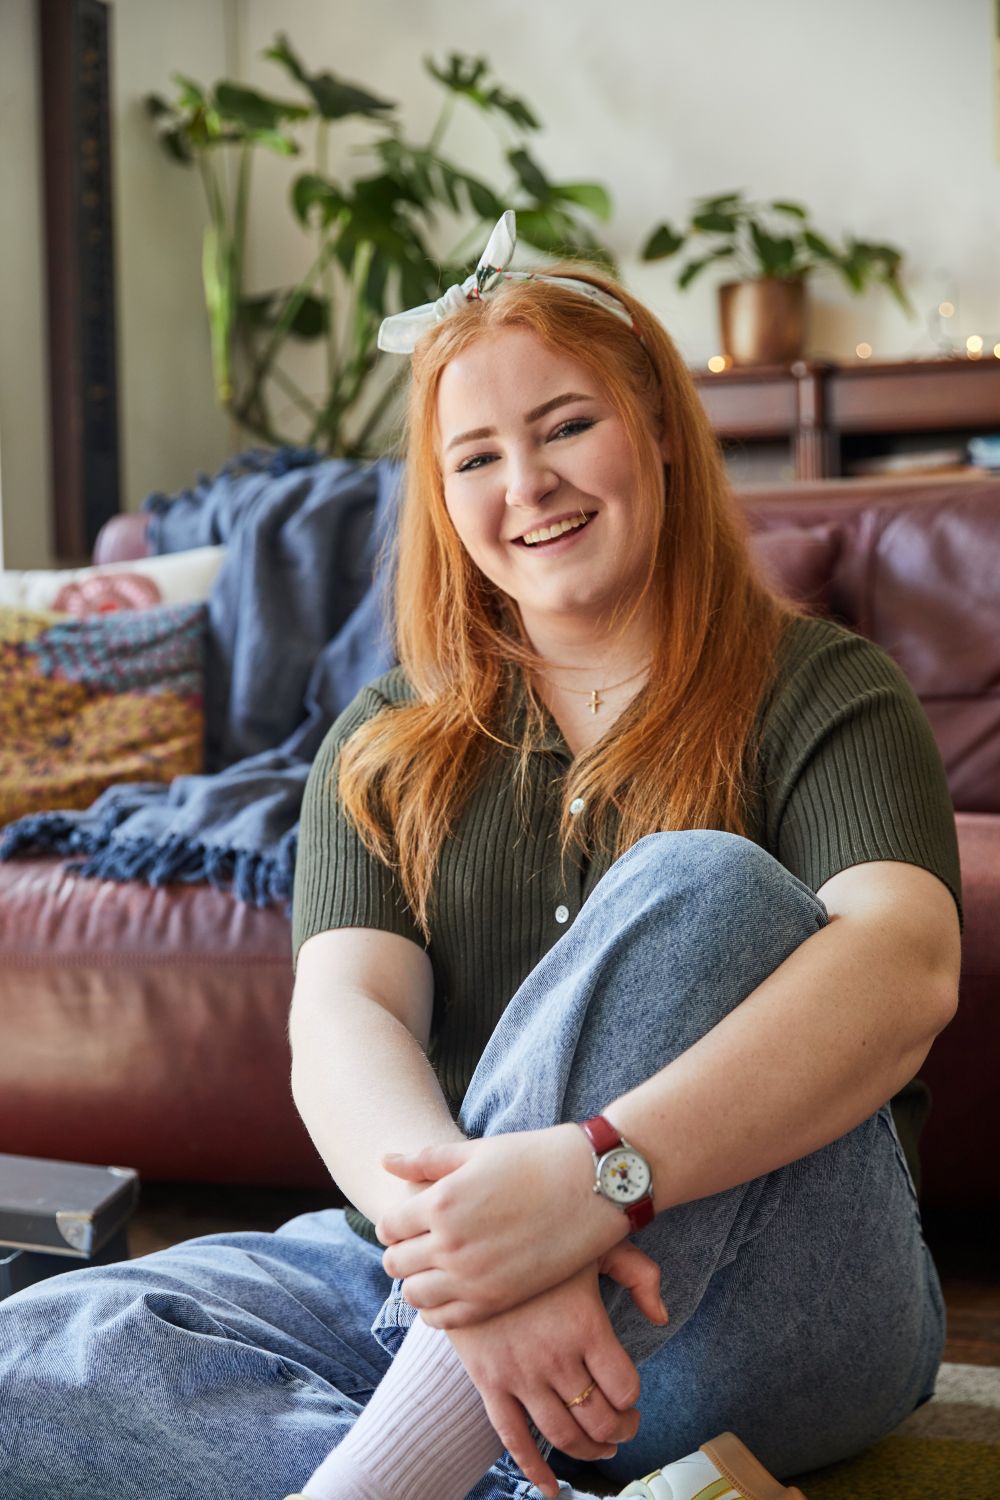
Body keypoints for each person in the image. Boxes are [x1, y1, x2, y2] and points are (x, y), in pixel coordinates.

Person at [0, 213, 961, 1500]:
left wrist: (585, 1190)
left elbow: (904, 970)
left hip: (769, 1284)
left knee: (705, 886)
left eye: (566, 426)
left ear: (661, 432)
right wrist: (473, 1266)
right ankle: (497, 1460)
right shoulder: (388, 738)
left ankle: (382, 1474)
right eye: (477, 457)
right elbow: (345, 1019)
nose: (528, 485)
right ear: (442, 500)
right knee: (37, 1347)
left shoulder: (827, 690)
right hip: (420, 1273)